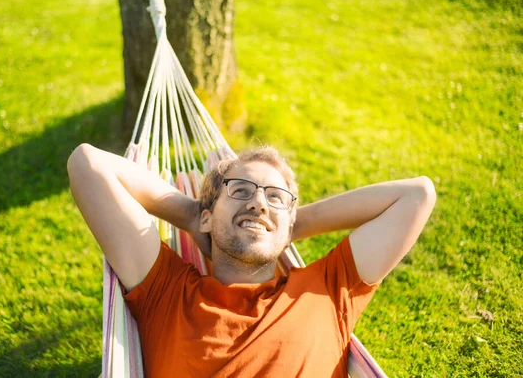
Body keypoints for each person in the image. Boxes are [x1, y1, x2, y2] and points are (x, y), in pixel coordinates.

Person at [67, 143, 436, 377]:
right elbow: (88, 164)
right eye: (240, 190)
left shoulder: (327, 290)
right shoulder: (167, 292)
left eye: (275, 196)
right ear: (207, 215)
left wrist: (283, 224)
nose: (258, 201)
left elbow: (418, 194)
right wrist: (195, 217)